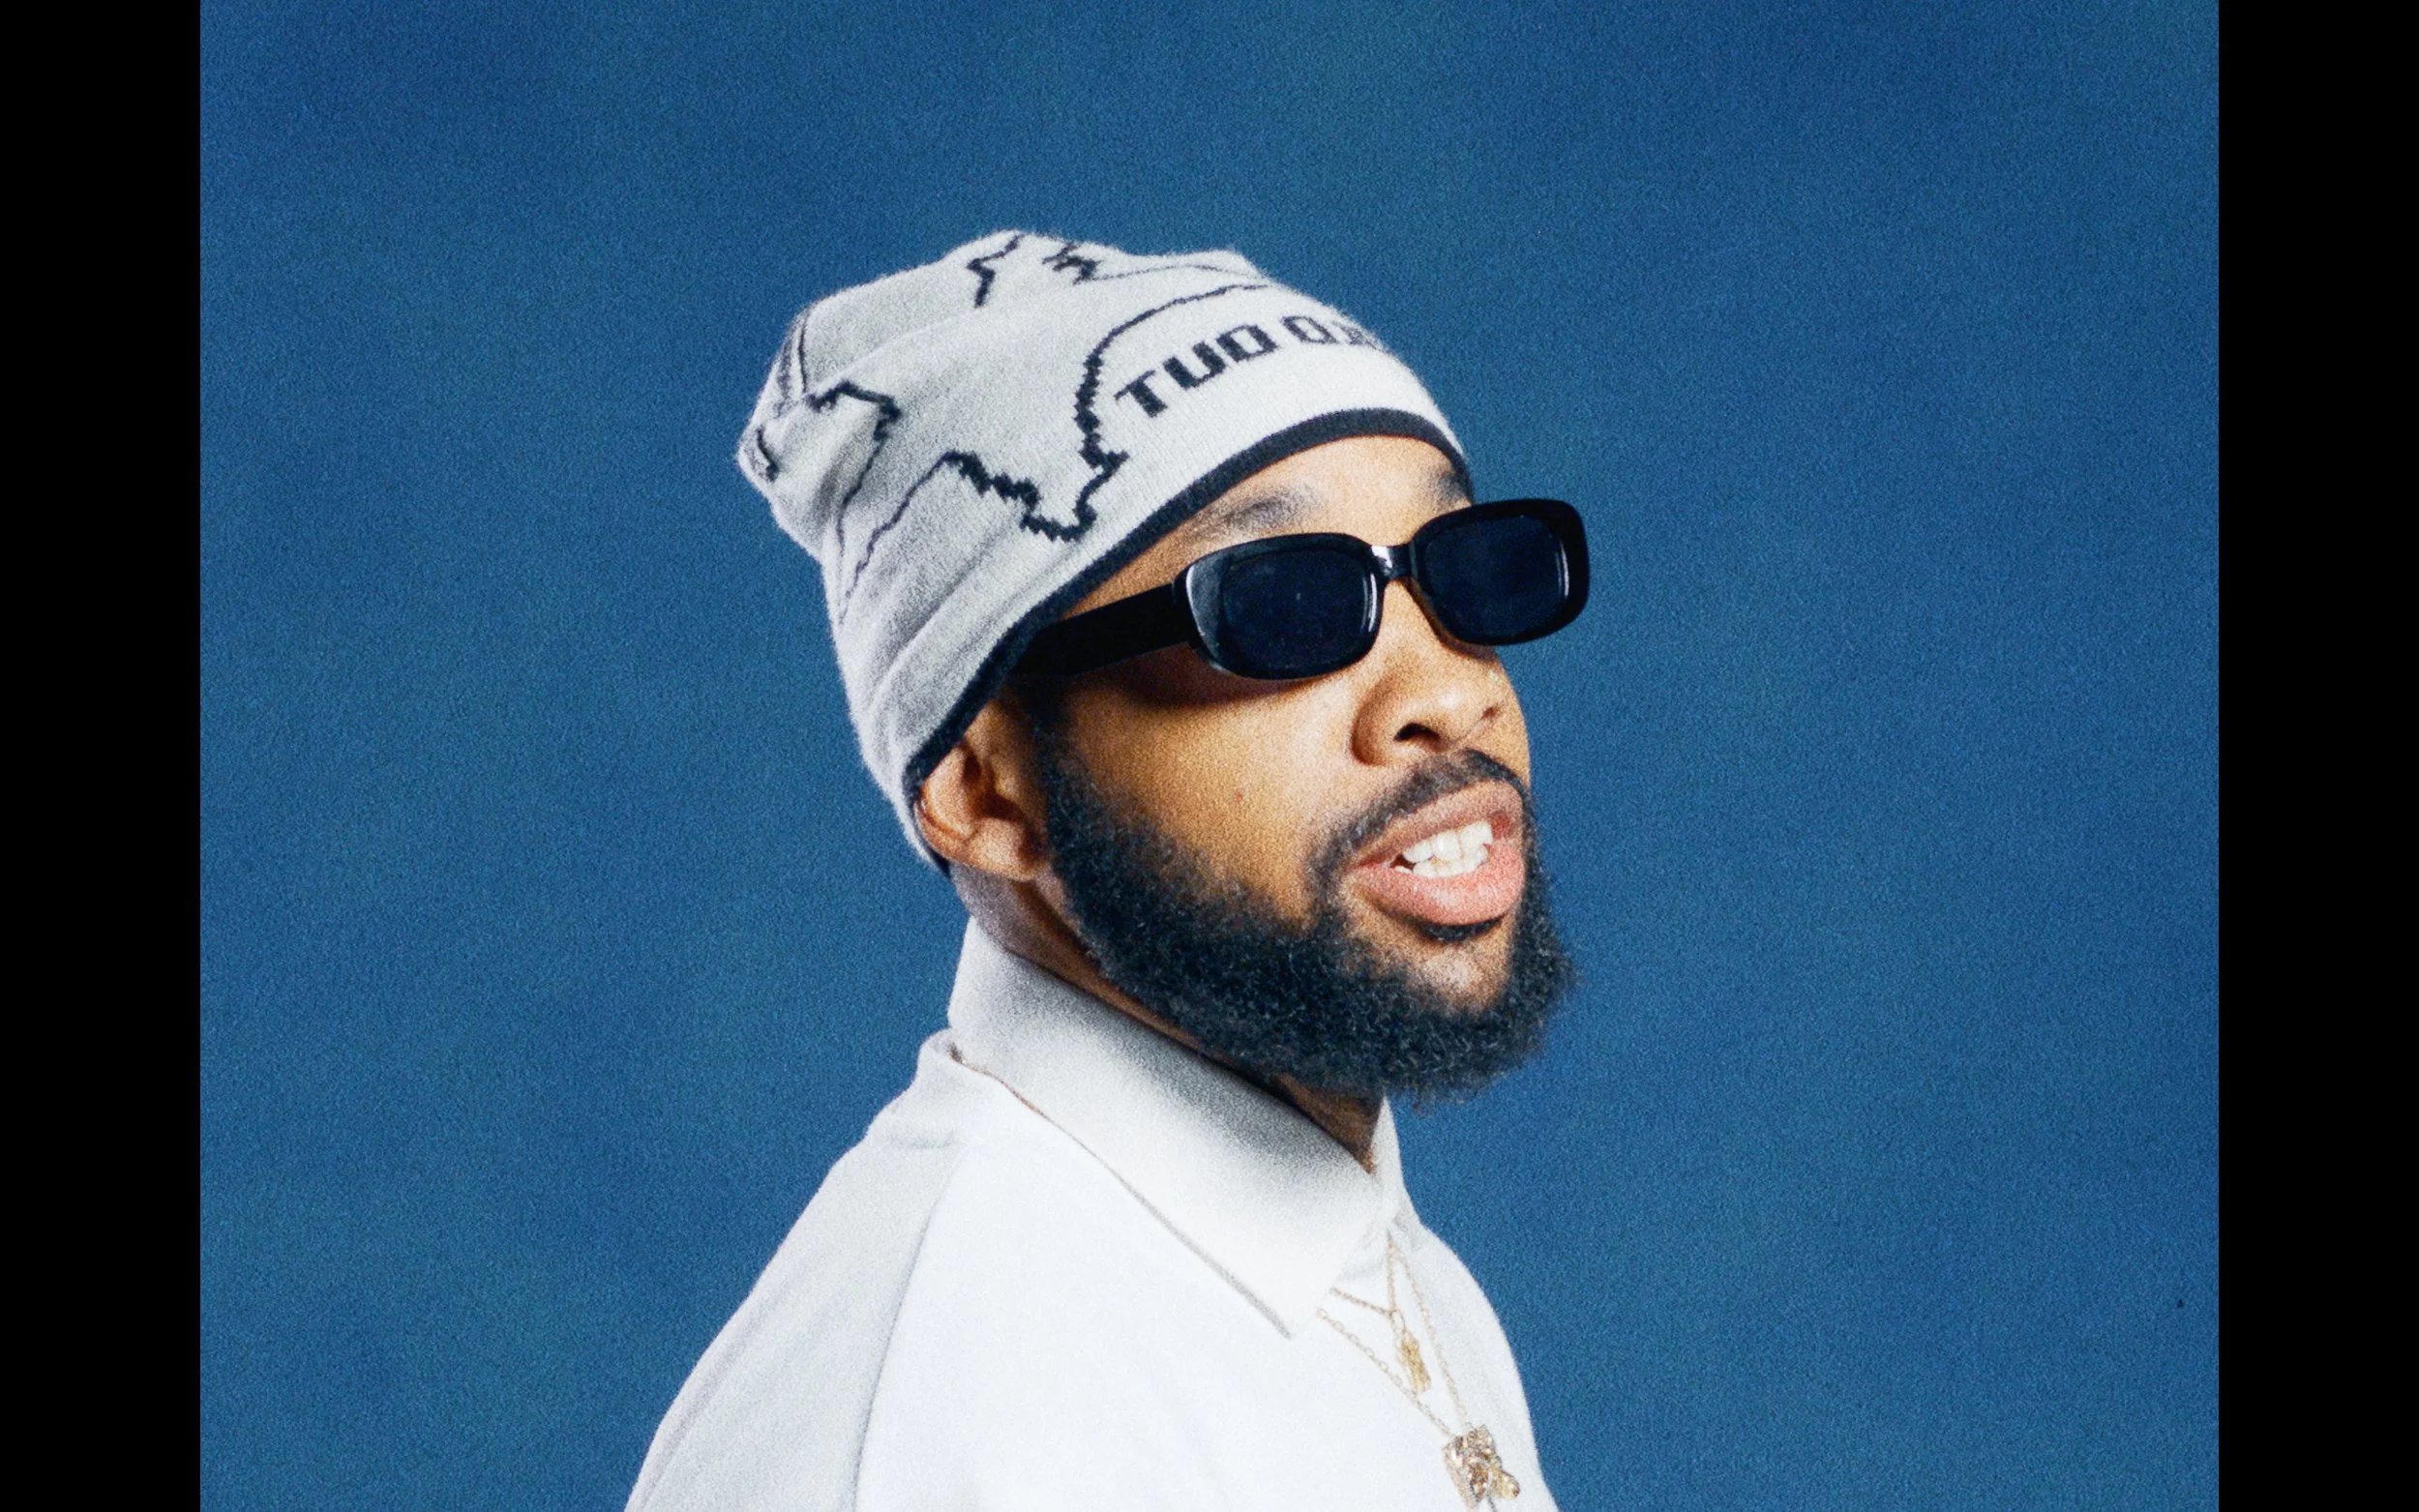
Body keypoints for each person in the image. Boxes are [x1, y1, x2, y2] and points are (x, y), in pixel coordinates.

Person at [628, 231, 1589, 1511]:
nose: (1451, 692)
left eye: (1466, 572)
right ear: (985, 791)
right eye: (1281, 607)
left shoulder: (1372, 1270)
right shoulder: (955, 1430)